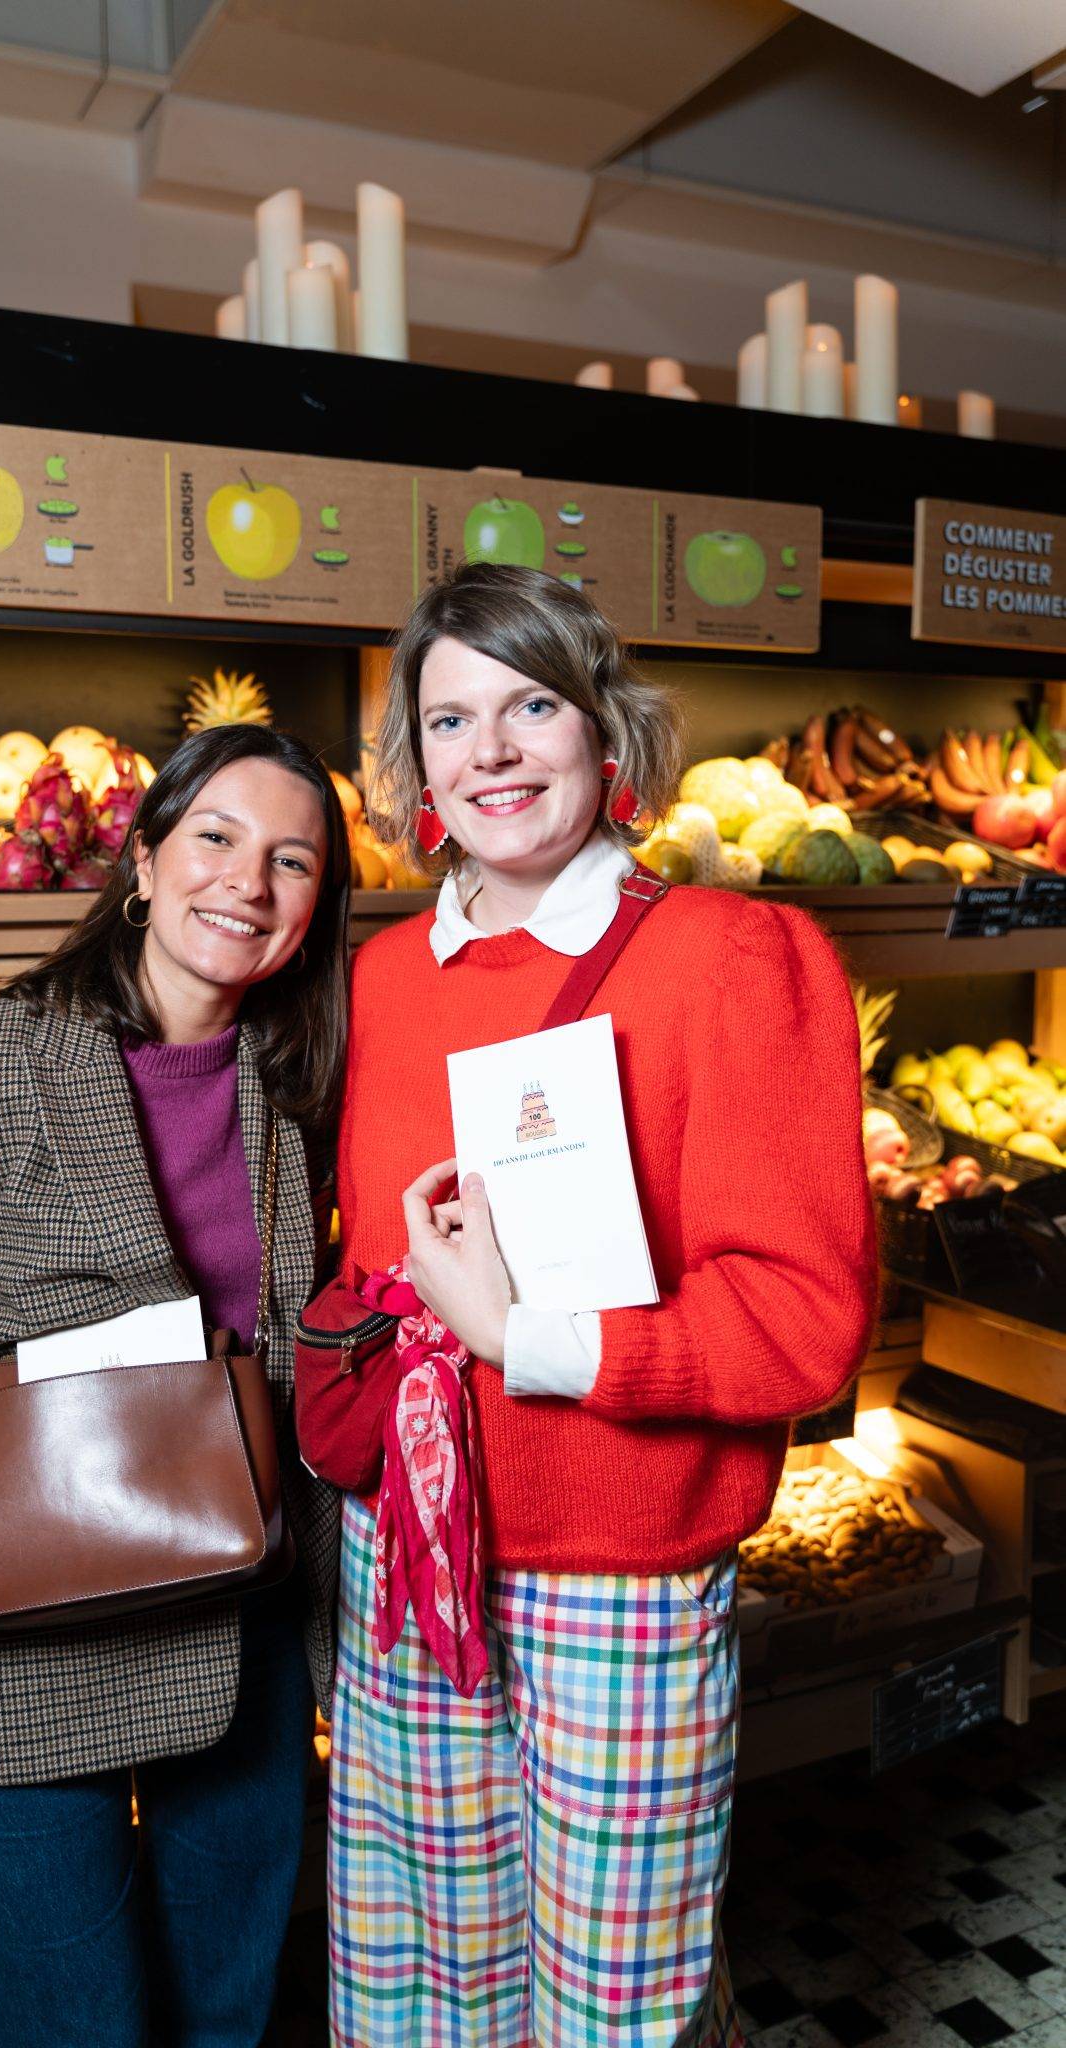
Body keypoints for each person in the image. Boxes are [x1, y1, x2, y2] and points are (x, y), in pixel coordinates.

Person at [328, 562, 877, 2047]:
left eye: (532, 707)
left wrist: (528, 1339)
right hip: (409, 1558)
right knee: (421, 1992)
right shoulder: (381, 979)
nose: (491, 753)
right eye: (450, 721)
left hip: (615, 1577)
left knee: (612, 2011)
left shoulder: (733, 960)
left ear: (605, 730)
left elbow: (803, 1322)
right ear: (414, 763)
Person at [0, 725, 351, 2048]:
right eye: (216, 838)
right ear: (146, 859)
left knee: (227, 2015)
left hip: (245, 1631)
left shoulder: (300, 1085)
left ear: (315, 908)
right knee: (69, 2025)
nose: (247, 883)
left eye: (292, 861)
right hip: (30, 1653)